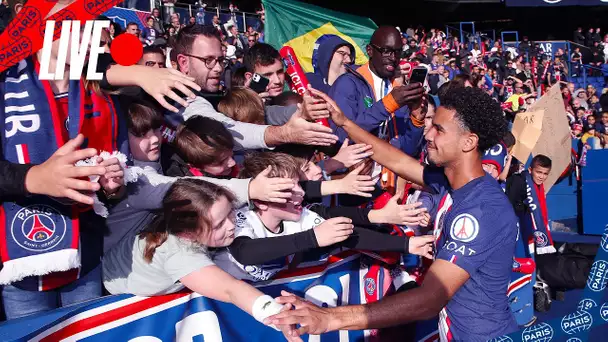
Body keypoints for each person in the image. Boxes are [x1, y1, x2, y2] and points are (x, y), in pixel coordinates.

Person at [266, 86, 519, 341]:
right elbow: (395, 160)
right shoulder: (450, 181)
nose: (428, 134)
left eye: (439, 129)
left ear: (469, 142)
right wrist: (343, 122)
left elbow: (429, 300)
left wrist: (330, 318)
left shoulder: (482, 211)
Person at [102, 178, 297, 339]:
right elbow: (230, 289)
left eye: (230, 212)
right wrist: (276, 314)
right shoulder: (180, 254)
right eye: (219, 224)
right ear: (188, 233)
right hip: (117, 290)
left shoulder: (200, 211)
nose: (231, 225)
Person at [214, 152, 433, 283]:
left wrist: (407, 244)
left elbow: (345, 232)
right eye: (288, 191)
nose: (301, 193)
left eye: (299, 185)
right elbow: (245, 252)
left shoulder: (300, 216)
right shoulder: (240, 218)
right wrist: (312, 238)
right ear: (260, 200)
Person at [167, 24, 339, 150]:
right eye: (208, 60)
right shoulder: (173, 100)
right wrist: (285, 133)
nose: (218, 68)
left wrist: (302, 112)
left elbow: (268, 113)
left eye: (220, 60)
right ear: (183, 62)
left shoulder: (222, 97)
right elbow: (226, 130)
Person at [328, 26, 427, 195]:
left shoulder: (398, 90)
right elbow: (340, 136)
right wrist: (388, 104)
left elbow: (406, 151)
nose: (393, 58)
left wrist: (416, 120)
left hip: (389, 192)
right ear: (370, 51)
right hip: (352, 190)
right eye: (386, 51)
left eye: (397, 52)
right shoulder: (348, 83)